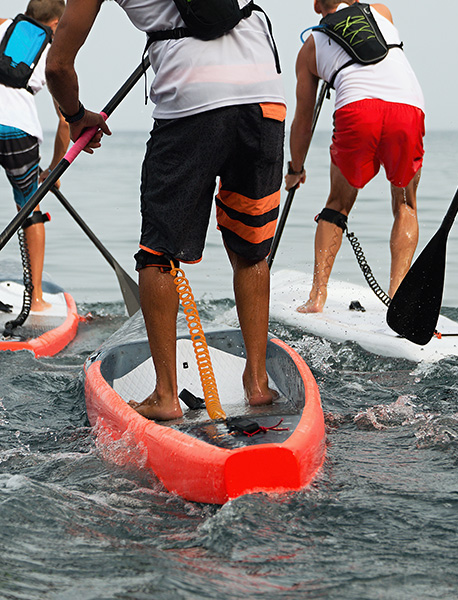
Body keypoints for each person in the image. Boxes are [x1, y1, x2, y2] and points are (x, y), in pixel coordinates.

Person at [46, 0, 286, 419]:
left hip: (191, 102)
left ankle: (165, 396)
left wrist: (75, 115)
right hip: (264, 96)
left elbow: (57, 67)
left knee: (158, 255)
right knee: (251, 249)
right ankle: (259, 383)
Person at [285, 0, 425, 313]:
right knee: (405, 203)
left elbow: (303, 121)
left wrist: (295, 168)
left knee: (338, 204)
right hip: (408, 107)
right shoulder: (381, 12)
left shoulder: (311, 47)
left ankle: (317, 298)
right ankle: (398, 300)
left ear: (316, 5)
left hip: (357, 109)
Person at [0, 0, 69, 312]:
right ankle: (37, 299)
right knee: (30, 208)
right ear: (56, 24)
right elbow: (66, 121)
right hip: (18, 131)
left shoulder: (3, 25)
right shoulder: (53, 52)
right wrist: (53, 171)